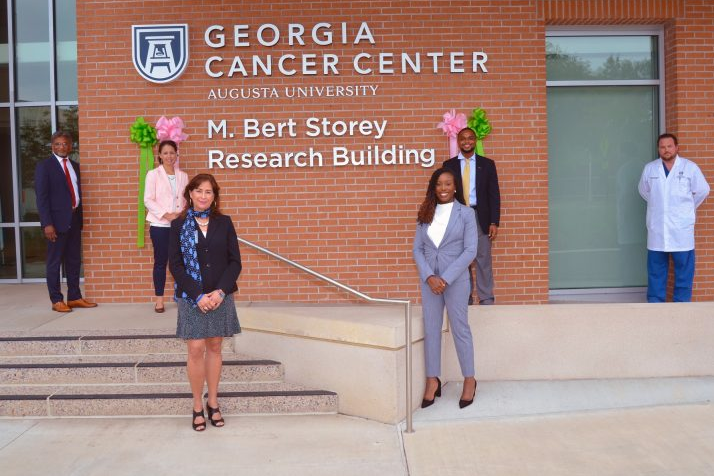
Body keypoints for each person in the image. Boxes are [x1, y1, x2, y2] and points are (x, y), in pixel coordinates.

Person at [168, 173, 242, 431]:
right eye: (199, 191)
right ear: (190, 194)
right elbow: (175, 266)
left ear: (214, 196)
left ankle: (213, 403)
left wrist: (220, 292)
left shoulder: (224, 222)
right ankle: (197, 405)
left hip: (220, 296)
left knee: (214, 346)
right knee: (195, 348)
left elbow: (235, 262)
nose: (203, 196)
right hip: (192, 297)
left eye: (208, 192)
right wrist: (197, 295)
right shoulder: (178, 226)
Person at [413, 168, 478, 409]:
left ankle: (469, 380)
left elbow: (470, 250)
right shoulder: (425, 211)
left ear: (455, 187)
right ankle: (432, 380)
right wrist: (430, 276)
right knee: (431, 330)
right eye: (439, 184)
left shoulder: (466, 214)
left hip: (456, 280)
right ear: (433, 186)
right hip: (429, 281)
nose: (443, 188)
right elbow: (417, 249)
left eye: (448, 184)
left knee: (460, 329)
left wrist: (445, 278)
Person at [638, 133, 710, 302]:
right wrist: (661, 207)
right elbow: (643, 191)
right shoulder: (650, 168)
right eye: (662, 147)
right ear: (658, 149)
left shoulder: (690, 167)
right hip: (658, 228)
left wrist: (686, 209)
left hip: (681, 230)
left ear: (677, 148)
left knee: (684, 271)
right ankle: (655, 303)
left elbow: (703, 190)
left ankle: (682, 305)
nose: (666, 150)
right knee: (656, 271)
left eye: (670, 146)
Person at [34, 130, 97, 312]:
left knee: (74, 261)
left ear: (71, 146)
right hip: (55, 223)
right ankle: (56, 300)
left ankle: (75, 297)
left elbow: (76, 193)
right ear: (52, 145)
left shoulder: (74, 166)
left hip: (74, 220)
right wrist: (47, 224)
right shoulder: (44, 166)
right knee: (54, 262)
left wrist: (80, 219)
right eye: (58, 144)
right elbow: (42, 198)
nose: (62, 147)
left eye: (65, 144)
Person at [443, 127, 501, 305]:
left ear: (475, 141)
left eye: (470, 138)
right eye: (462, 139)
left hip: (479, 216)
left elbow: (494, 195)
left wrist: (494, 221)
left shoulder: (488, 164)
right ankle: (464, 297)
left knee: (483, 257)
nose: (466, 141)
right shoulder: (449, 165)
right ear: (458, 142)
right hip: (458, 216)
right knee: (461, 259)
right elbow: (443, 193)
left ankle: (486, 298)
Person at [144, 140, 188, 313]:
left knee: (181, 262)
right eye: (166, 153)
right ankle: (159, 300)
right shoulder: (153, 174)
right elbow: (148, 199)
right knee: (161, 262)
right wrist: (167, 215)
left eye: (172, 152)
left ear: (177, 155)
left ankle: (182, 295)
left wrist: (181, 214)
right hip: (160, 225)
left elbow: (187, 199)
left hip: (179, 225)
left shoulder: (183, 175)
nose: (169, 156)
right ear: (160, 156)